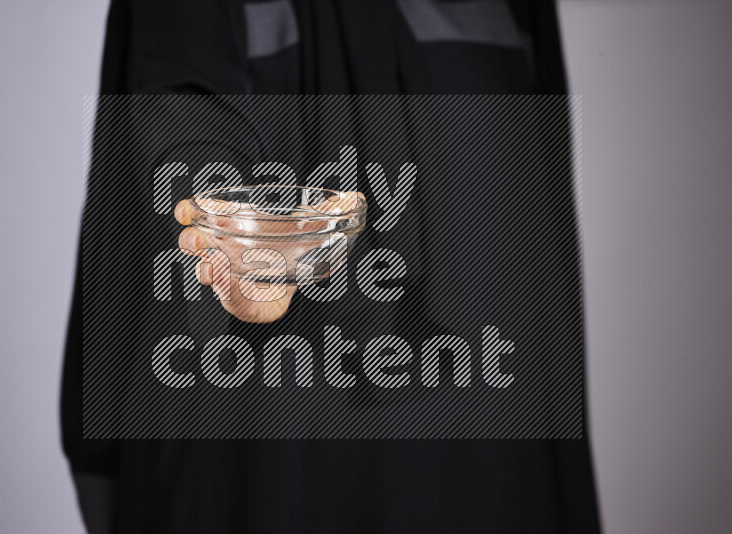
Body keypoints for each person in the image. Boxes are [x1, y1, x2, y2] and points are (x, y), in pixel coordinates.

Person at [62, 1, 601, 532]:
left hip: (493, 424)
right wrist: (238, 233)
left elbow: (543, 207)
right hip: (268, 429)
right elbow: (181, 97)